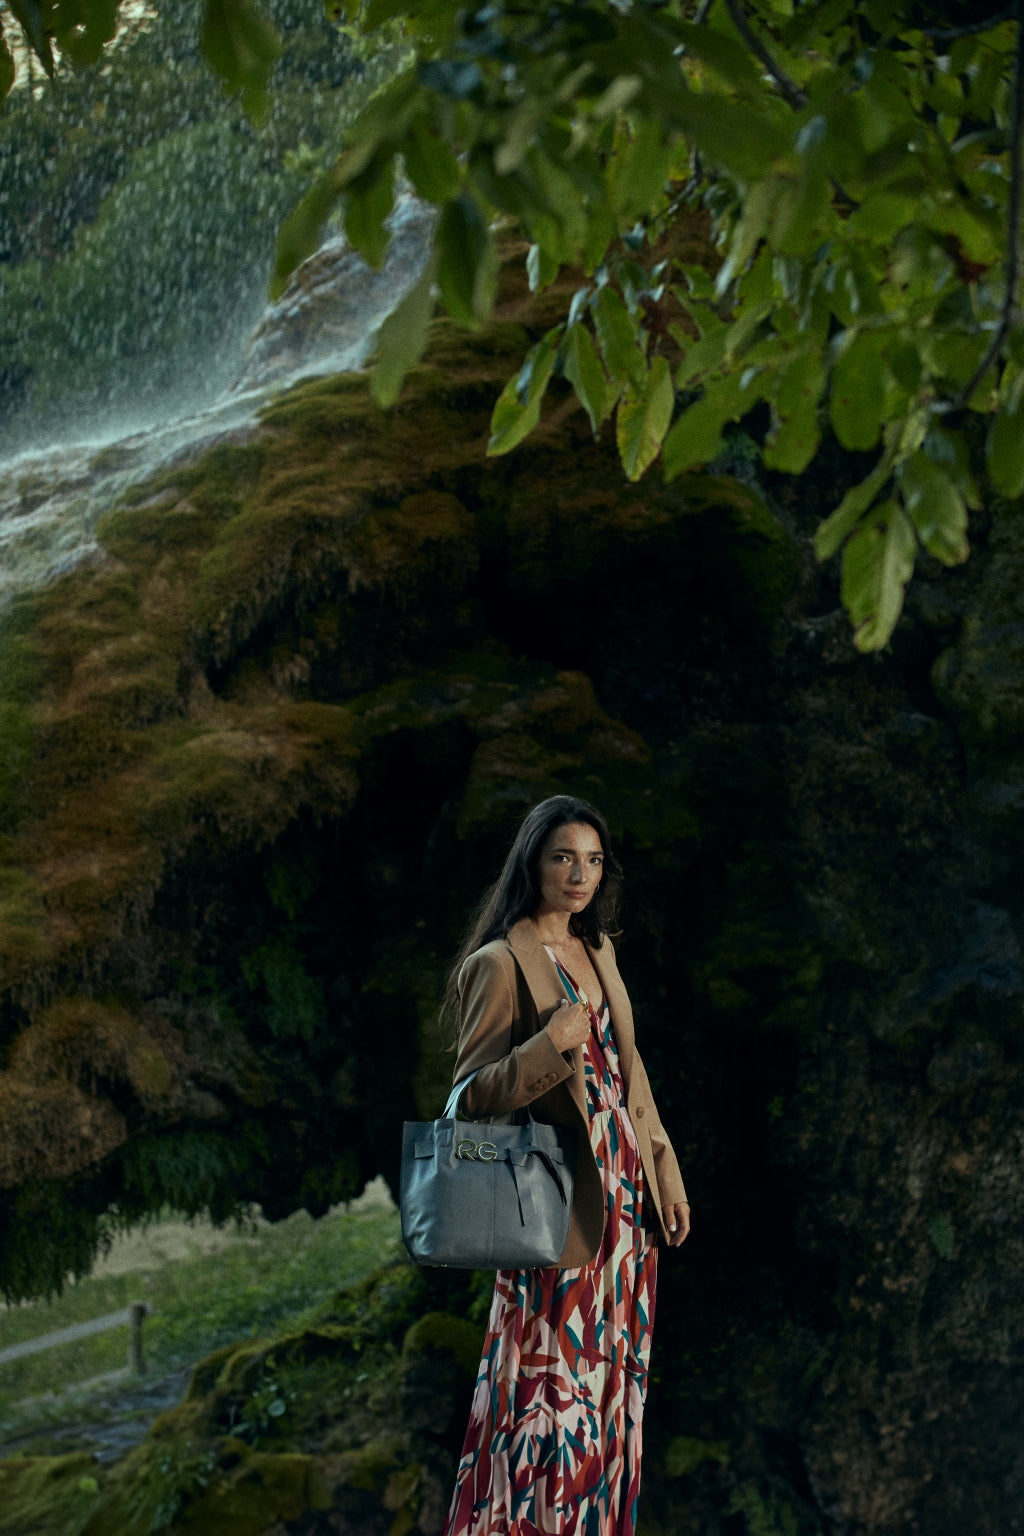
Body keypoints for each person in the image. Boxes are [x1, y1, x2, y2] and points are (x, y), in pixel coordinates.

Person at [440, 794, 690, 1536]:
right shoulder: (497, 963)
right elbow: (468, 1100)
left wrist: (666, 1176)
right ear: (533, 863)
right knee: (552, 1384)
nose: (579, 873)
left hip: (626, 1211)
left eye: (592, 859)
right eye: (562, 857)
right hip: (556, 1207)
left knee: (610, 1380)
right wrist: (552, 1045)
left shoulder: (600, 948)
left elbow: (629, 1075)